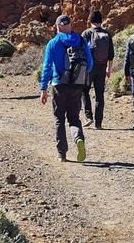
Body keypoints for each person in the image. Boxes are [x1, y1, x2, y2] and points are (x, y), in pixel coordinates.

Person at [40, 14, 93, 162]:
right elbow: (90, 64)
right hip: (77, 85)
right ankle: (78, 139)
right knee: (74, 118)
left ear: (57, 27)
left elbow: (47, 67)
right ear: (70, 26)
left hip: (59, 85)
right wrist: (79, 76)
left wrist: (43, 88)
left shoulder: (53, 43)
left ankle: (61, 154)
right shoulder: (81, 40)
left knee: (59, 119)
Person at [80, 10, 113, 130]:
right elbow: (111, 54)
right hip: (102, 67)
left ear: (90, 21)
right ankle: (98, 123)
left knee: (84, 91)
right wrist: (109, 68)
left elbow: (81, 51)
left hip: (89, 68)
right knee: (100, 95)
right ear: (101, 21)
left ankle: (89, 117)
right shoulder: (107, 34)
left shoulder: (86, 33)